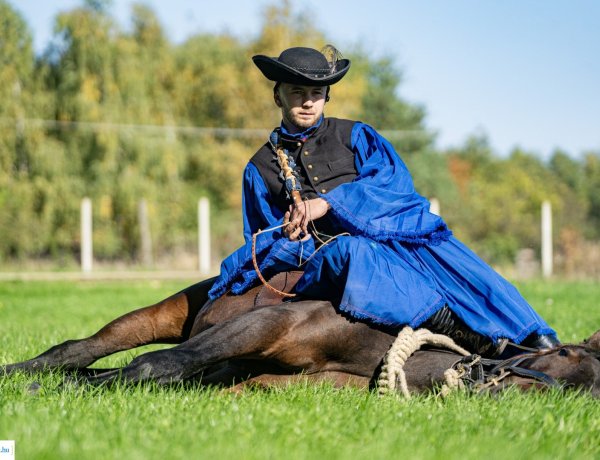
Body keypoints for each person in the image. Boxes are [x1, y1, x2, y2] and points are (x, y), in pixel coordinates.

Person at [209, 45, 559, 356]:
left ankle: (530, 337)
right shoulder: (259, 168)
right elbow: (259, 237)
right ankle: (462, 333)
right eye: (297, 92)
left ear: (327, 96)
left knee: (453, 261)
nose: (307, 101)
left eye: (316, 92)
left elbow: (393, 186)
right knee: (352, 253)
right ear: (278, 96)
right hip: (326, 261)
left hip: (391, 231)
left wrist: (328, 203)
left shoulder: (356, 136)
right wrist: (290, 237)